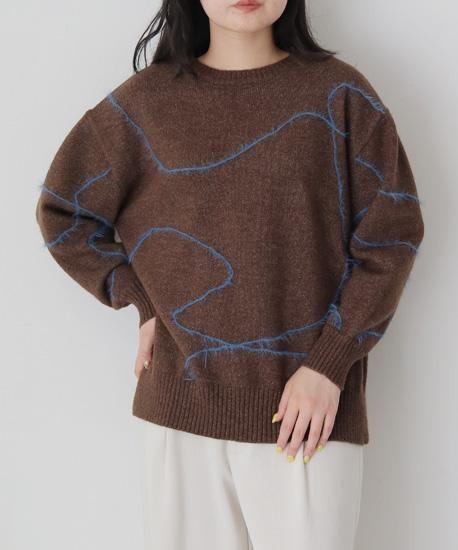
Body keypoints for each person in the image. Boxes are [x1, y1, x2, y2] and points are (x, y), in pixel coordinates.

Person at [35, 1, 425, 549]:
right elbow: (64, 211)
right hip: (181, 408)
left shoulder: (341, 96)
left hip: (306, 414)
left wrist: (329, 364)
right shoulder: (145, 104)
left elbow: (392, 237)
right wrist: (138, 299)